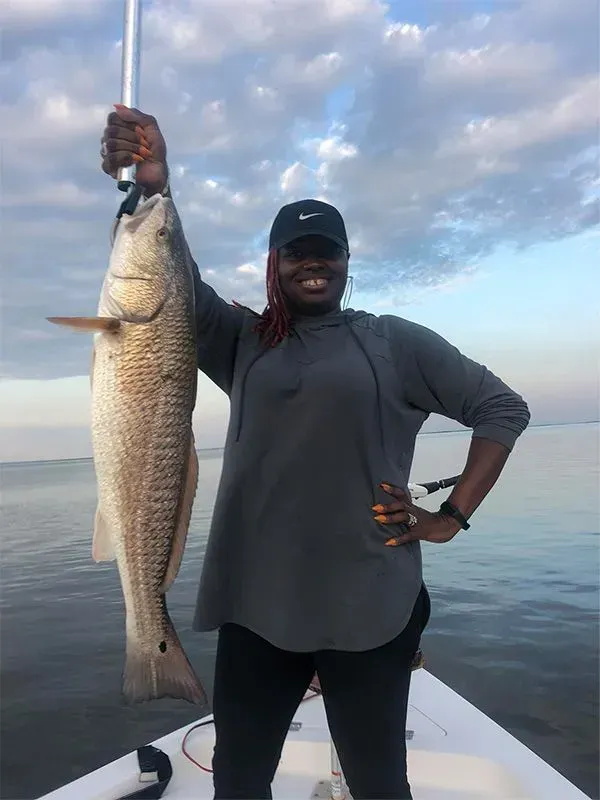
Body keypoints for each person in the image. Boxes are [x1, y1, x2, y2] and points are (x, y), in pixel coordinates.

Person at [101, 105, 531, 800]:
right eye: (297, 251)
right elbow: (161, 282)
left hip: (370, 603)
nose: (314, 262)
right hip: (256, 605)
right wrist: (155, 183)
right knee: (239, 782)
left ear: (346, 262)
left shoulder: (393, 340)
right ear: (274, 264)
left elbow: (503, 410)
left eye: (327, 250)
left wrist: (450, 515)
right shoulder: (242, 340)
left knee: (378, 784)